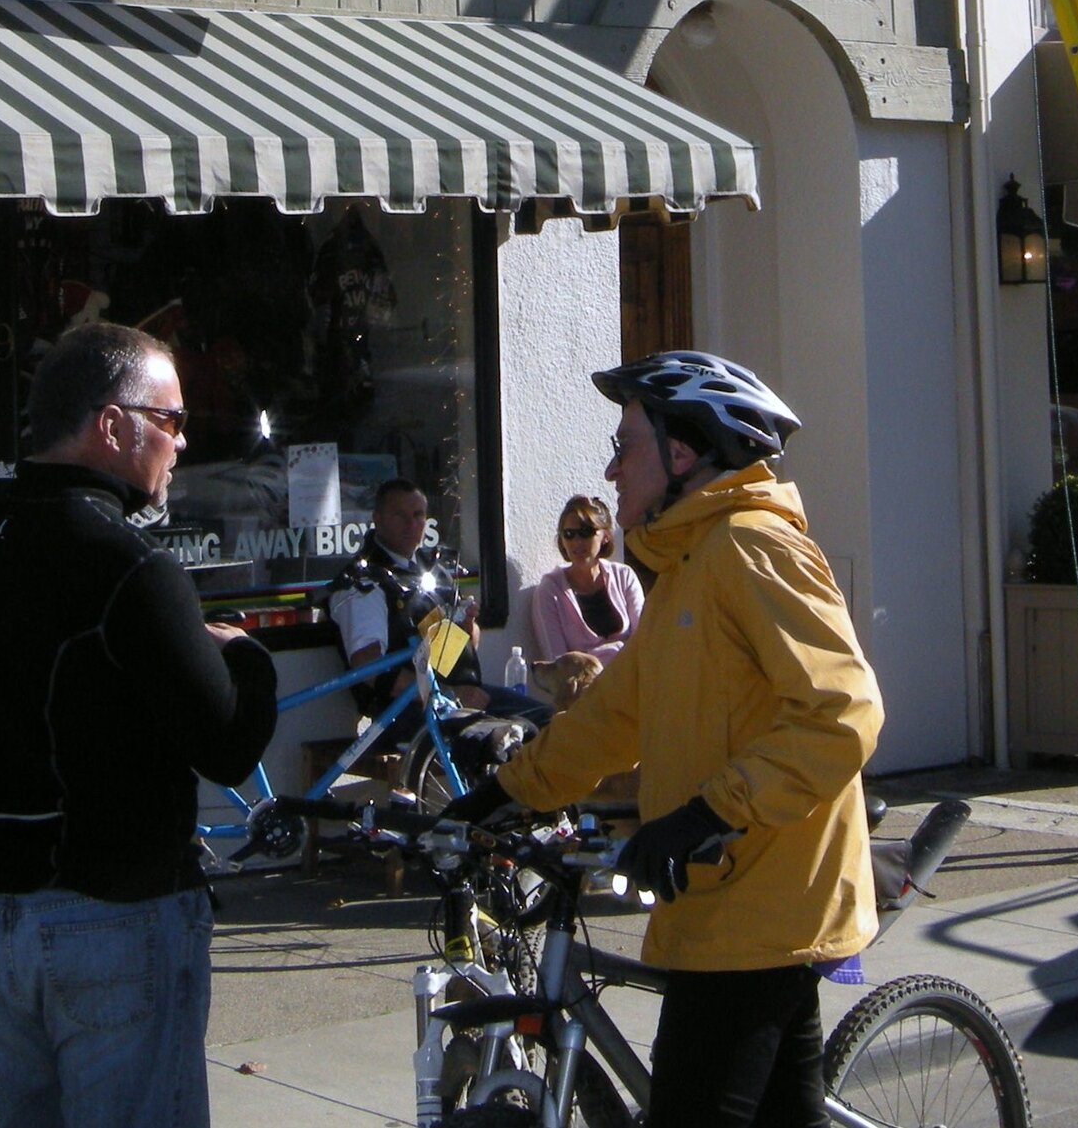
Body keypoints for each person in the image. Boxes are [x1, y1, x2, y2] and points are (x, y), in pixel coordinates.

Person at [451, 351, 884, 1128]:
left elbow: (843, 708)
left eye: (627, 444)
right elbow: (614, 716)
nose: (612, 469)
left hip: (759, 909)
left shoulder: (753, 547)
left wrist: (706, 814)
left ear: (682, 452)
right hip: (728, 904)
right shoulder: (687, 568)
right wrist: (500, 793)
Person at [0, 322, 279, 1128]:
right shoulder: (130, 565)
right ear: (113, 426)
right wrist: (248, 658)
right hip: (117, 915)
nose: (183, 443)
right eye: (173, 420)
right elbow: (227, 743)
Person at [326, 478, 544, 722]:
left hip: (454, 698)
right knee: (512, 736)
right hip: (406, 712)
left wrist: (466, 626)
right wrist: (448, 694)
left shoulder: (431, 571)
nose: (411, 524)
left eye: (418, 515)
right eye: (400, 516)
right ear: (376, 518)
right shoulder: (364, 581)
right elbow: (369, 666)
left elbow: (455, 653)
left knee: (548, 721)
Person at [526, 492, 645, 665]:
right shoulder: (550, 591)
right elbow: (558, 666)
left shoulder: (624, 576)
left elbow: (644, 640)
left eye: (586, 532)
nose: (577, 542)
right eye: (569, 534)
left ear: (605, 536)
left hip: (631, 683)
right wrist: (620, 650)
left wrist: (589, 657)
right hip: (585, 691)